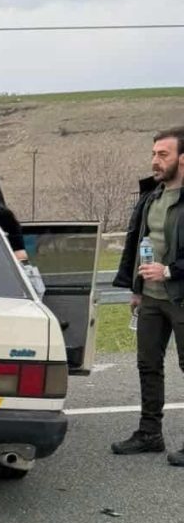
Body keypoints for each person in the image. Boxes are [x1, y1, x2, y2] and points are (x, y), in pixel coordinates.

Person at [110, 127, 184, 463]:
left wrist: (170, 271)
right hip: (151, 297)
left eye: (163, 154)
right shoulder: (150, 196)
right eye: (154, 153)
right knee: (147, 365)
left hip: (180, 295)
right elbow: (138, 242)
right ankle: (149, 433)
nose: (155, 161)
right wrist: (136, 288)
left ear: (182, 159)